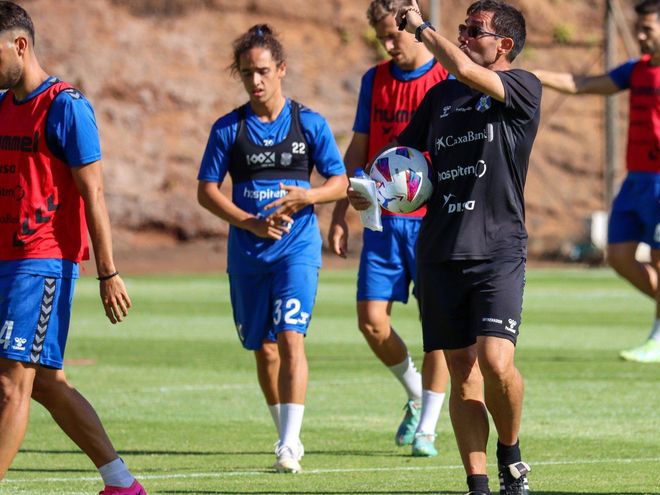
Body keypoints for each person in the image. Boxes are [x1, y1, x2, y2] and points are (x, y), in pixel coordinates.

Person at [352, 0, 540, 493]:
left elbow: (458, 66)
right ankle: (477, 483)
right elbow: (397, 166)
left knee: (497, 362)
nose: (462, 36)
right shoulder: (439, 101)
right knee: (462, 370)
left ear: (504, 45)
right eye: (461, 28)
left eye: (473, 30)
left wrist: (421, 28)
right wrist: (362, 192)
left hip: (497, 249)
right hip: (439, 250)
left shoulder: (523, 88)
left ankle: (511, 454)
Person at [0, 3, 145, 494]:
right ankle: (121, 483)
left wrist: (108, 272)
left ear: (20, 45)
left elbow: (94, 194)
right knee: (43, 383)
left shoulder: (66, 106)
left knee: (10, 383)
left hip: (39, 264)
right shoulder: (2, 107)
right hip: (4, 261)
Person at [196, 24, 347, 473]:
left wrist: (308, 197)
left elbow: (339, 182)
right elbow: (206, 191)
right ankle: (282, 429)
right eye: (247, 74)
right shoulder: (228, 128)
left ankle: (289, 443)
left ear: (281, 69)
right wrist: (251, 224)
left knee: (291, 338)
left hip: (298, 249)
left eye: (263, 71)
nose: (256, 80)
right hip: (247, 253)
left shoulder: (309, 124)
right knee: (264, 349)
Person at [533, 0, 660, 363]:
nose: (641, 35)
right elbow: (581, 84)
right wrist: (533, 75)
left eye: (647, 29)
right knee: (619, 257)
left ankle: (659, 339)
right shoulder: (635, 71)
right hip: (635, 181)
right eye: (639, 28)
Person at [328, 0, 450, 458]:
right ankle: (416, 393)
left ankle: (429, 429)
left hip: (433, 222)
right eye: (381, 36)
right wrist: (341, 211)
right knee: (372, 321)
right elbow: (361, 143)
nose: (388, 44)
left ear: (413, 28)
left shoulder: (444, 76)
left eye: (393, 34)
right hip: (381, 219)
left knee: (437, 326)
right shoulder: (374, 79)